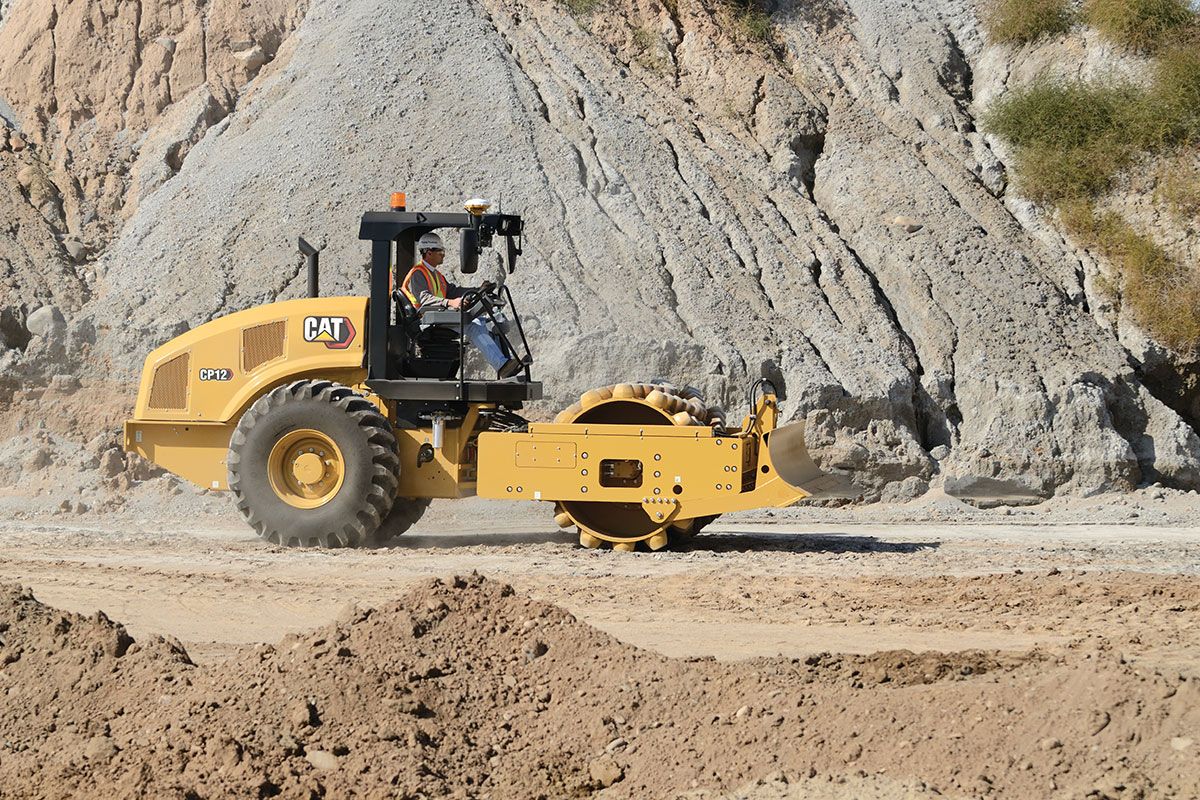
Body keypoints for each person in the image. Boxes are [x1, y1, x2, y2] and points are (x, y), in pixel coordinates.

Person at [399, 232, 523, 379]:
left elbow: (452, 290)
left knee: (486, 322)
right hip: (426, 321)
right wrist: (451, 302)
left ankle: (505, 365)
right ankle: (501, 366)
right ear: (429, 252)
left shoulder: (436, 274)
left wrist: (478, 290)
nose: (443, 255)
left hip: (438, 317)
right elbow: (424, 299)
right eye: (440, 251)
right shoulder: (418, 274)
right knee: (471, 325)